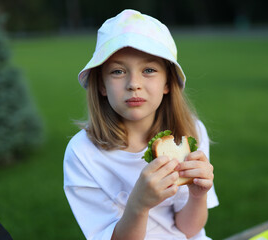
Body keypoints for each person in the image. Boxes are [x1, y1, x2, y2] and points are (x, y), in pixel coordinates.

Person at [63, 9, 219, 240]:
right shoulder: (83, 154)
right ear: (102, 86)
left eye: (149, 70)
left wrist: (198, 195)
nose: (133, 84)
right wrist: (138, 205)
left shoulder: (190, 133)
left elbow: (189, 229)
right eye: (118, 71)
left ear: (168, 82)